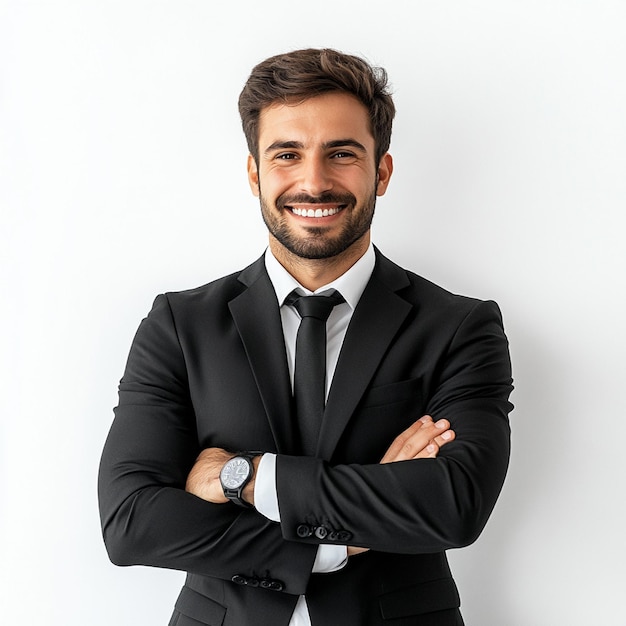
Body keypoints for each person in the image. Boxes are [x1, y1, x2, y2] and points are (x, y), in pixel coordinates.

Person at [98, 48, 513, 626]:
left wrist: (243, 475)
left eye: (341, 154)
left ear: (382, 172)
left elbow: (452, 506)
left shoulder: (458, 327)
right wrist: (332, 543)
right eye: (287, 154)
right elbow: (131, 521)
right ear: (255, 175)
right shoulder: (179, 324)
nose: (313, 181)